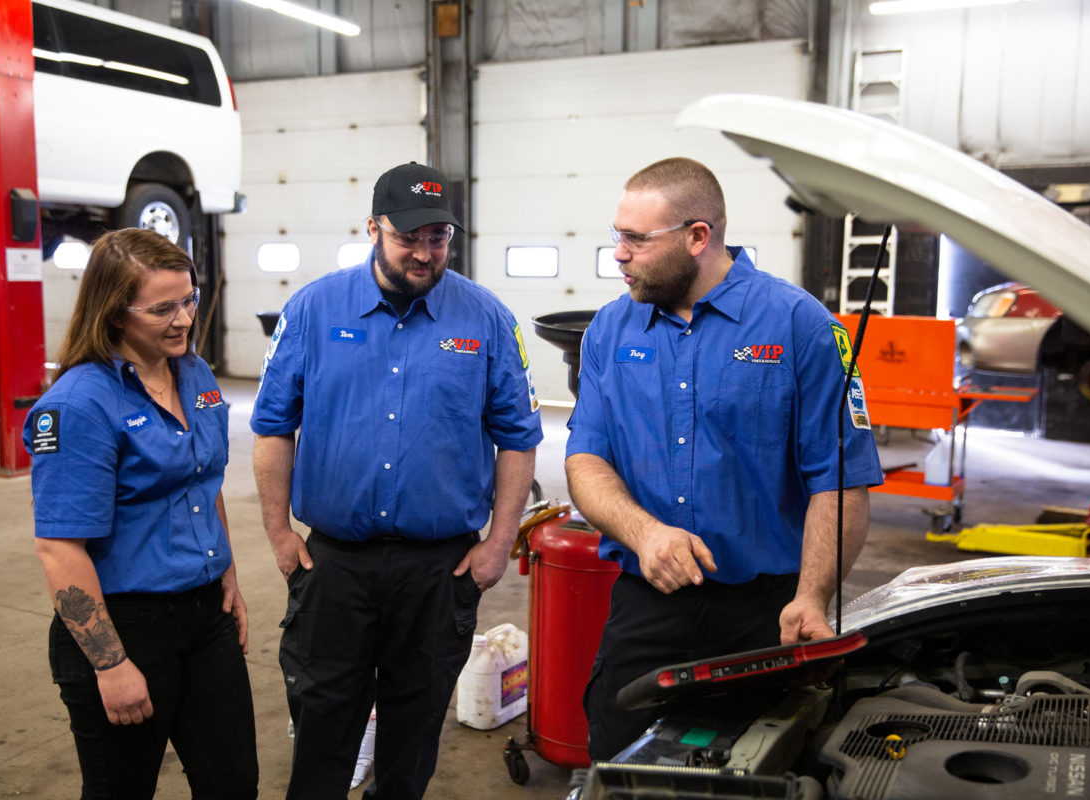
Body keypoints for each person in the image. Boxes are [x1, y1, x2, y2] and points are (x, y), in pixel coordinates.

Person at [565, 157, 884, 760]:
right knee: (617, 753)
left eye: (636, 239)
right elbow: (586, 458)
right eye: (617, 237)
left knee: (752, 765)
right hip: (647, 596)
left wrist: (813, 597)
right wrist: (646, 532)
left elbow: (840, 482)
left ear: (697, 236)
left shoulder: (803, 328)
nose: (620, 255)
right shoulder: (611, 330)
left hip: (764, 611)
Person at [251, 161, 543, 800]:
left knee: (415, 727)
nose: (424, 251)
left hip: (439, 569)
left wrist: (499, 543)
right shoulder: (312, 310)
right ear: (373, 228)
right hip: (335, 564)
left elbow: (519, 437)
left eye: (438, 237)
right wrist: (277, 531)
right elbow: (273, 426)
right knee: (324, 717)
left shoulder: (487, 319)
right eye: (409, 235)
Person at [23, 228, 258, 799]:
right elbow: (60, 547)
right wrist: (110, 664)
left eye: (189, 299)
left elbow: (204, 481)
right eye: (162, 308)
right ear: (116, 313)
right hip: (126, 625)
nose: (183, 319)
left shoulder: (194, 374)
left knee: (233, 785)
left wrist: (227, 576)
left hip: (205, 619)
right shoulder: (79, 406)